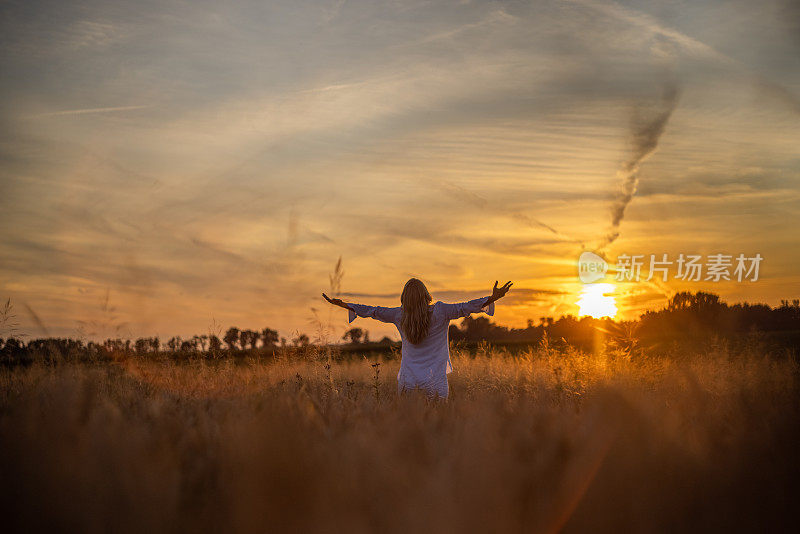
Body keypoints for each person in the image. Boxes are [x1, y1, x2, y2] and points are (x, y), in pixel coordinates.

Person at [323, 279, 512, 399]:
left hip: (407, 382)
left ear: (404, 298)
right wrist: (492, 298)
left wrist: (346, 305)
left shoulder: (399, 315)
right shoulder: (440, 311)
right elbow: (467, 307)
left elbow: (372, 311)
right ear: (426, 295)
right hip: (436, 382)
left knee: (409, 437)